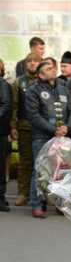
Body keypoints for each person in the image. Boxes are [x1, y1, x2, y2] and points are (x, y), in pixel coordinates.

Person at [25, 60, 71, 218]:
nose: (53, 70)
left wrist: (67, 127)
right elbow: (33, 116)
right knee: (41, 171)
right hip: (42, 137)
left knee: (62, 171)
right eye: (48, 69)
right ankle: (38, 204)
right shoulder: (33, 90)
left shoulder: (63, 87)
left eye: (53, 68)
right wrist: (53, 130)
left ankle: (60, 204)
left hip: (63, 137)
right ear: (40, 74)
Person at [10, 52, 42, 206]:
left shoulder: (44, 81)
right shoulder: (19, 82)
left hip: (42, 129)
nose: (32, 64)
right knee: (25, 162)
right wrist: (13, 126)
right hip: (24, 127)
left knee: (42, 163)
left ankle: (41, 194)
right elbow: (14, 106)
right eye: (29, 61)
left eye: (36, 61)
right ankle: (23, 193)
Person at [0, 65, 11, 212]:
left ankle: (0, 198)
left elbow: (6, 105)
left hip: (0, 132)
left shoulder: (2, 84)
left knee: (0, 166)